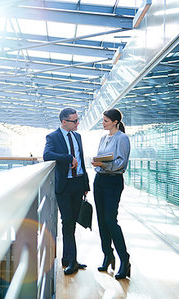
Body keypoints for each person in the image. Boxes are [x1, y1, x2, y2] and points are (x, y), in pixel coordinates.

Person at [43, 108, 90, 275]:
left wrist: (86, 185)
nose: (78, 123)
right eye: (74, 121)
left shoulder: (78, 136)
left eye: (77, 120)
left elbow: (82, 161)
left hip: (78, 184)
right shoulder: (53, 136)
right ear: (64, 122)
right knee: (67, 222)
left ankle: (68, 258)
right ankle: (72, 260)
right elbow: (47, 155)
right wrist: (68, 158)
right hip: (64, 186)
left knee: (72, 223)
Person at [91, 108, 131, 279]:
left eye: (106, 120)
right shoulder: (103, 138)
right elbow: (100, 158)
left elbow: (121, 163)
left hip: (113, 182)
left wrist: (103, 164)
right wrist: (97, 163)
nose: (103, 123)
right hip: (99, 181)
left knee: (110, 220)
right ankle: (108, 255)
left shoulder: (122, 138)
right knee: (101, 220)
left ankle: (124, 259)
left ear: (115, 122)